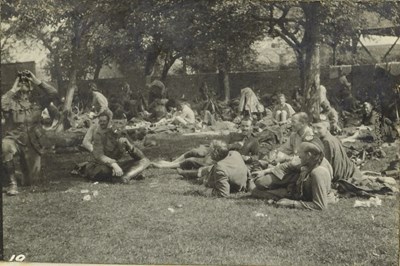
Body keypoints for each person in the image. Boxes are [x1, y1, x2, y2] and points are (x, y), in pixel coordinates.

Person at [2, 70, 59, 195]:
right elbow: (2, 104)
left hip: (33, 143)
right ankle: (12, 184)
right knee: (5, 145)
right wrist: (13, 88)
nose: (24, 83)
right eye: (21, 81)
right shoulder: (11, 101)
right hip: (15, 139)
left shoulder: (38, 101)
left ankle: (12, 173)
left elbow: (53, 93)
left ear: (31, 86)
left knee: (30, 181)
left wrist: (35, 79)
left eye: (26, 82)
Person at [313, 120, 398, 196]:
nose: (315, 131)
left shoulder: (326, 141)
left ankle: (378, 181)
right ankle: (374, 179)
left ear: (327, 128)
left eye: (319, 128)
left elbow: (325, 167)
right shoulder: (331, 137)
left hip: (341, 177)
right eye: (313, 128)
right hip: (349, 170)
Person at [83, 112, 150, 183]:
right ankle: (127, 175)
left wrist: (129, 145)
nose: (118, 125)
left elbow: (140, 157)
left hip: (114, 166)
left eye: (121, 123)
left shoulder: (123, 135)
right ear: (111, 122)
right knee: (104, 170)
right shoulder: (100, 134)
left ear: (125, 124)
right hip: (97, 166)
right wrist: (114, 164)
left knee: (145, 161)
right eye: (116, 122)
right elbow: (99, 155)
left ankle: (124, 177)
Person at [273, 137, 336, 210]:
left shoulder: (318, 172)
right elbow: (291, 165)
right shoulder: (314, 160)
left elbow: (320, 205)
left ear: (308, 155)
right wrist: (266, 171)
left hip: (306, 197)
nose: (298, 156)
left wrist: (292, 203)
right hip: (299, 192)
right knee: (258, 191)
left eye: (300, 153)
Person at [81, 82, 113, 152]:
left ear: (91, 89)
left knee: (100, 132)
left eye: (88, 89)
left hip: (105, 115)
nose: (88, 91)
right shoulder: (96, 95)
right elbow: (96, 106)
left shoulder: (97, 95)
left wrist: (97, 115)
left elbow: (103, 107)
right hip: (104, 115)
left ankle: (98, 150)